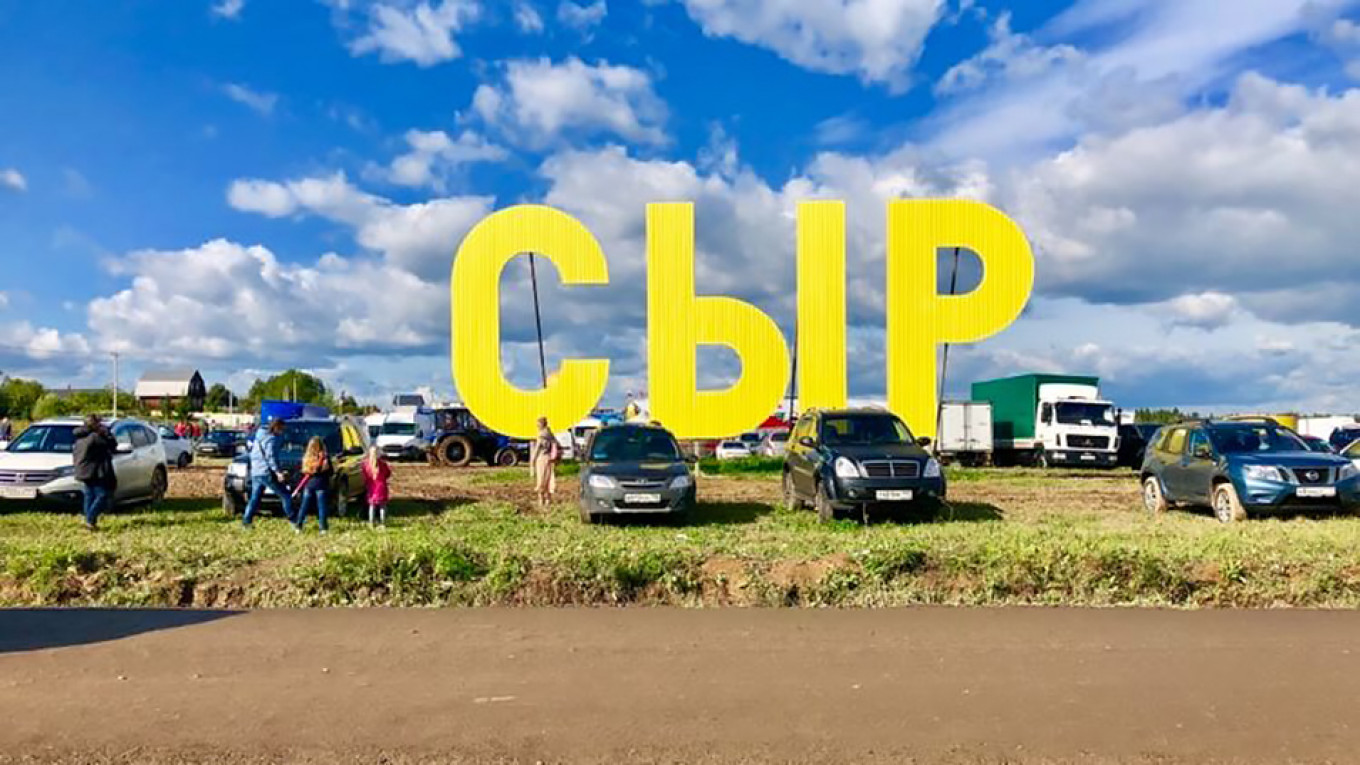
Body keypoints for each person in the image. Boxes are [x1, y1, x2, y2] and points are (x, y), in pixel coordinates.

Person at [242, 418, 294, 528]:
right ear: (277, 428)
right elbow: (271, 457)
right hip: (266, 472)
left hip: (256, 471)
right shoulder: (271, 439)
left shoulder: (259, 435)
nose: (282, 433)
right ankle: (294, 521)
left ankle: (246, 522)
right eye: (282, 430)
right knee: (285, 496)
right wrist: (278, 472)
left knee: (255, 498)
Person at [72, 414, 117, 531]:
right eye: (99, 423)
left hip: (84, 470)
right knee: (102, 495)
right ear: (95, 424)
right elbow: (112, 445)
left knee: (89, 495)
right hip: (94, 471)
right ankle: (90, 519)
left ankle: (89, 520)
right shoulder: (95, 437)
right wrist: (107, 433)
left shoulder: (81, 435)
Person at [294, 436, 333, 534]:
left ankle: (298, 526)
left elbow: (304, 471)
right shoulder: (324, 457)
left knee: (304, 506)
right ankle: (323, 528)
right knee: (322, 507)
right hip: (321, 484)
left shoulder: (307, 457)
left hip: (309, 484)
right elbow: (331, 472)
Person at [529, 416, 560, 507]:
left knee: (541, 479)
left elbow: (537, 449)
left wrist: (532, 460)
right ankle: (548, 499)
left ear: (541, 424)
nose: (537, 425)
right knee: (548, 478)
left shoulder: (541, 435)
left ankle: (541, 499)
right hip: (549, 459)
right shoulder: (550, 434)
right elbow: (556, 444)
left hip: (541, 459)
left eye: (538, 423)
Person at [361, 445, 392, 527]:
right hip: (381, 486)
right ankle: (383, 523)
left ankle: (371, 522)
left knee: (372, 505)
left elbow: (365, 475)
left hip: (371, 486)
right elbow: (388, 473)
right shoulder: (383, 464)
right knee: (382, 506)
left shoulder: (365, 464)